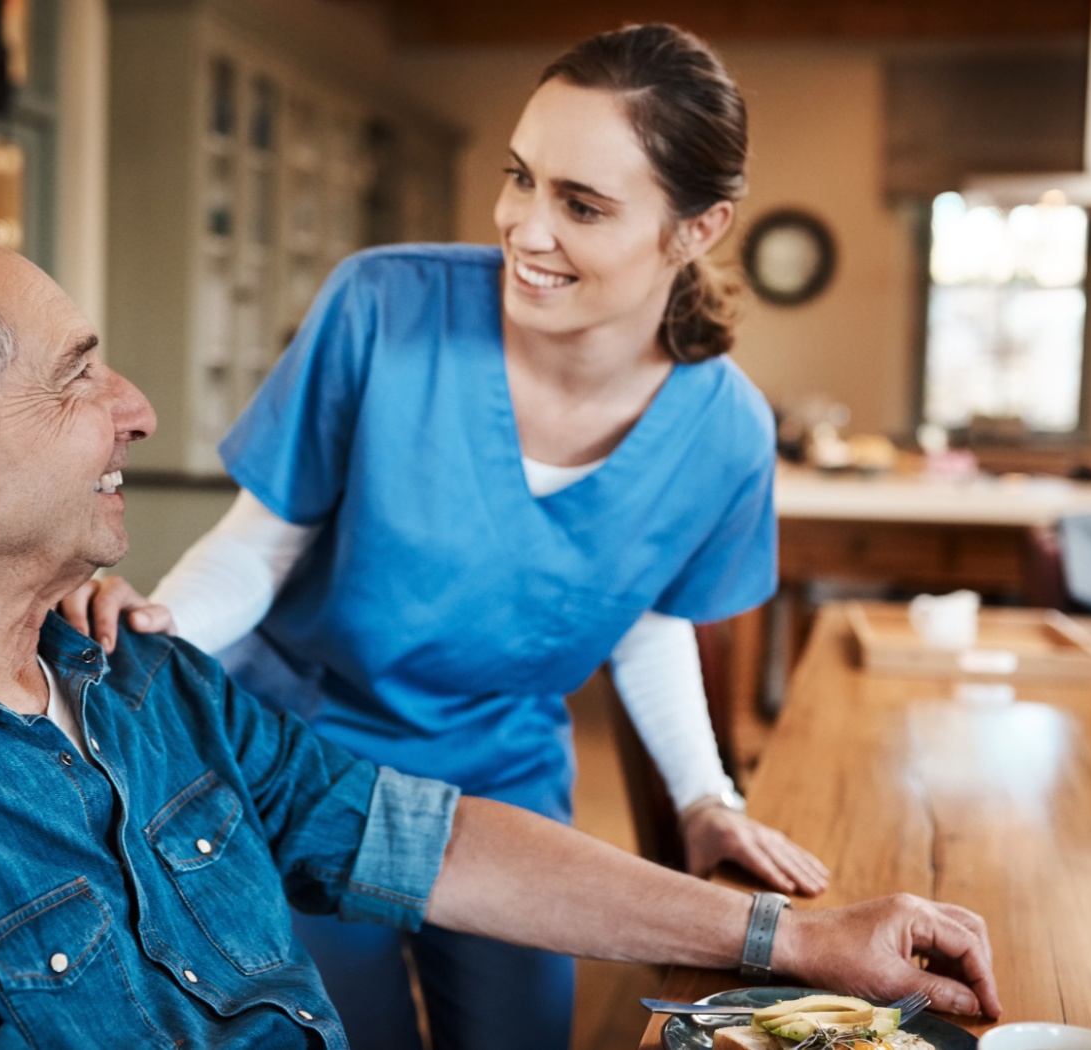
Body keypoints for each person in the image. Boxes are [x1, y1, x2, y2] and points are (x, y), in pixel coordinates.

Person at [0, 183, 1002, 1048]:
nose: (138, 409)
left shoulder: (129, 675)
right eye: (77, 380)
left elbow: (428, 839)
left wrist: (801, 939)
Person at [68, 24, 823, 1050]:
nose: (526, 227)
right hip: (302, 760)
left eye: (582, 204)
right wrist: (158, 633)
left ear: (696, 228)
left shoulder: (725, 429)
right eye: (521, 178)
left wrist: (703, 796)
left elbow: (642, 615)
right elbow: (262, 545)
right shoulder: (384, 306)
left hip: (504, 779)